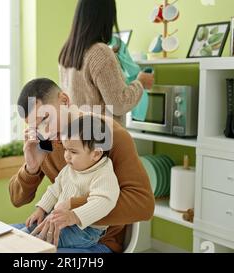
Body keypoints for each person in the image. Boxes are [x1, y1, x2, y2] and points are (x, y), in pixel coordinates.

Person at [10, 78, 154, 253]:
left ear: (64, 101)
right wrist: (31, 168)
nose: (44, 132)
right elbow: (17, 199)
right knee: (0, 242)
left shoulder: (107, 134)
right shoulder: (47, 141)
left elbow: (143, 205)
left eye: (45, 119)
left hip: (97, 242)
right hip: (57, 226)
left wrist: (72, 206)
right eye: (35, 127)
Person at [21, 115, 120, 249]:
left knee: (38, 241)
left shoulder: (104, 174)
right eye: (65, 149)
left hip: (85, 230)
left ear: (96, 154)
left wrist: (74, 216)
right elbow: (55, 190)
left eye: (73, 151)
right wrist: (41, 209)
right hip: (62, 220)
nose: (66, 155)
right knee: (29, 231)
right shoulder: (70, 168)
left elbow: (103, 201)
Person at [58, 0, 154, 126]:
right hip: (103, 139)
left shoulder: (67, 51)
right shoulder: (100, 52)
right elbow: (119, 104)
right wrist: (140, 83)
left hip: (78, 137)